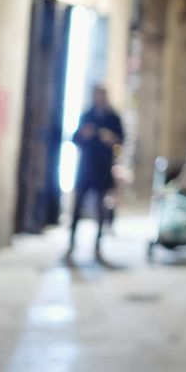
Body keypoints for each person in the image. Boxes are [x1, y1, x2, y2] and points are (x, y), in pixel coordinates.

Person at [65, 85, 124, 264]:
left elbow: (121, 143)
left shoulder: (113, 118)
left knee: (101, 209)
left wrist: (111, 139)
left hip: (102, 168)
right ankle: (71, 244)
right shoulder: (87, 116)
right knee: (77, 208)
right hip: (85, 169)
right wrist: (84, 134)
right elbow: (75, 139)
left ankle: (97, 245)